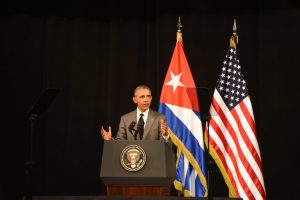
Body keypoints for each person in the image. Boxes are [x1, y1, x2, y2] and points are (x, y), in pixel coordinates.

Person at [101, 85, 171, 145]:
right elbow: (120, 143)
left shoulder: (160, 118)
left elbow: (166, 147)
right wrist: (110, 140)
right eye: (142, 97)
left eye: (148, 96)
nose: (146, 100)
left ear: (151, 98)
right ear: (135, 99)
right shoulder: (125, 119)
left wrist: (165, 136)